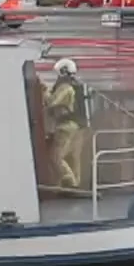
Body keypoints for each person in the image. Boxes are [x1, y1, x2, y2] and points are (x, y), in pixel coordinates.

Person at [45, 58, 88, 189]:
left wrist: (43, 91)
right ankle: (76, 183)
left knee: (56, 156)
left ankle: (69, 181)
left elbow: (52, 102)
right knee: (73, 157)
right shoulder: (77, 86)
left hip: (65, 126)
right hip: (77, 126)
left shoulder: (65, 87)